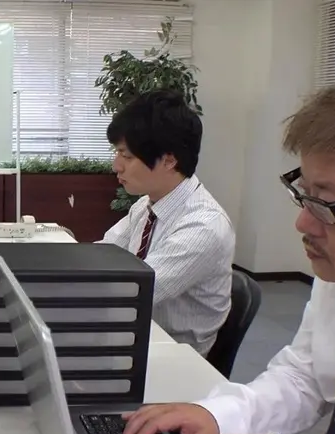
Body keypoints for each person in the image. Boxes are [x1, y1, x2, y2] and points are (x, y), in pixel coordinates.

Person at [120, 59, 335, 434]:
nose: (302, 223)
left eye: (326, 203)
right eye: (303, 195)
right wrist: (215, 415)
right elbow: (304, 376)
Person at [98, 90, 234, 358]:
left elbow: (131, 293)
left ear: (169, 160)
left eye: (127, 156)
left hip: (172, 355)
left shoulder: (203, 227)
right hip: (136, 333)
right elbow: (104, 253)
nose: (116, 166)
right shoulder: (146, 206)